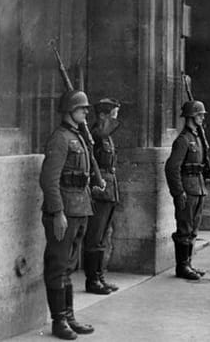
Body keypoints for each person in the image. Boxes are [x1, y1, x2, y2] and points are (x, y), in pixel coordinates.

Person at [40, 90, 105, 340]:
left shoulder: (77, 136)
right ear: (69, 110)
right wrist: (57, 212)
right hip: (65, 211)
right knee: (58, 266)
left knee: (68, 266)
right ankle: (59, 322)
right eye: (82, 108)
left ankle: (69, 316)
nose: (87, 112)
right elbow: (49, 179)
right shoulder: (60, 138)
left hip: (80, 208)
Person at [165, 100, 210, 280]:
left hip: (198, 187)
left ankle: (189, 263)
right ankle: (182, 267)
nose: (202, 117)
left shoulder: (198, 138)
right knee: (184, 229)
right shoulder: (183, 140)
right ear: (191, 116)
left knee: (193, 229)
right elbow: (171, 168)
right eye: (199, 115)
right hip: (187, 189)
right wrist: (178, 193)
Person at [83, 98, 121, 294]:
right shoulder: (96, 135)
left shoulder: (105, 136)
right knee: (94, 237)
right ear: (102, 116)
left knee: (102, 237)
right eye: (113, 114)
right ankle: (92, 281)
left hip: (109, 189)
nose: (116, 119)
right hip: (99, 191)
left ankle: (100, 277)